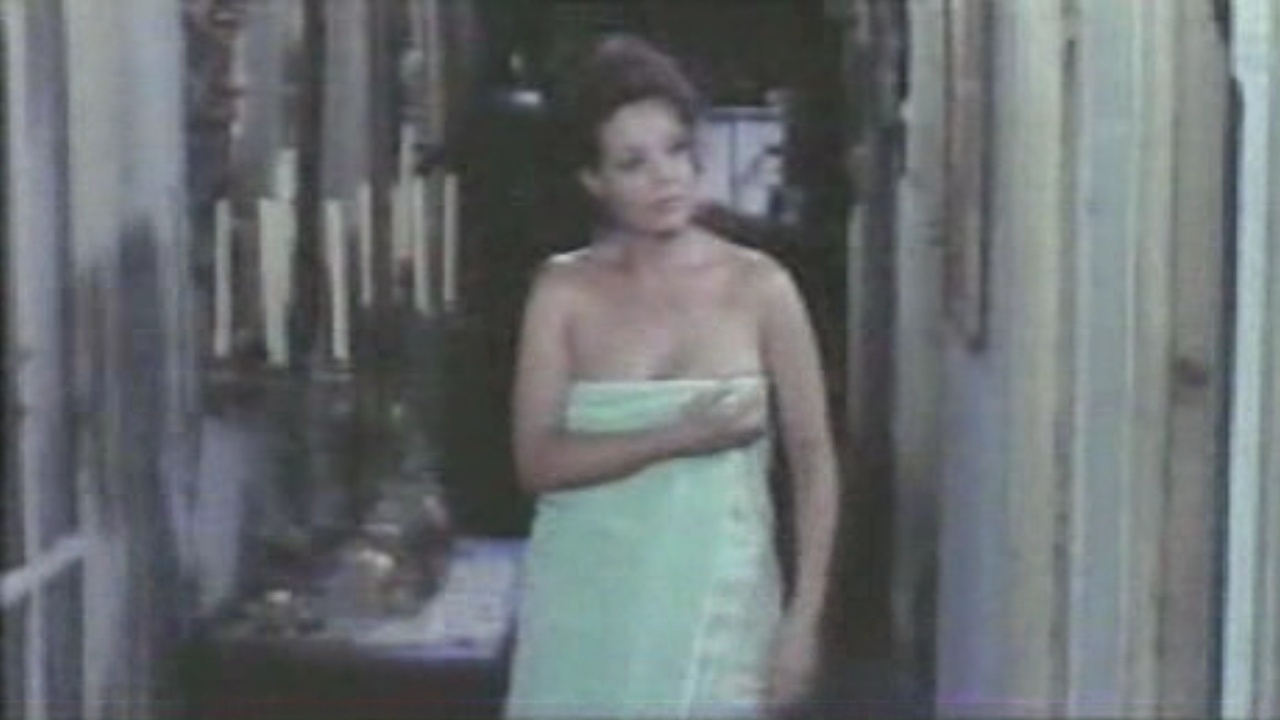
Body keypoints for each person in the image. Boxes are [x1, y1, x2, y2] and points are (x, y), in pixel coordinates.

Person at [504, 35, 839, 719]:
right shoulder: (563, 292)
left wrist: (803, 623)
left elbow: (814, 459)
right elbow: (537, 461)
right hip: (584, 609)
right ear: (593, 180)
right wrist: (678, 436)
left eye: (676, 150)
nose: (665, 178)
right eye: (633, 163)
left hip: (718, 610)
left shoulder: (760, 287)